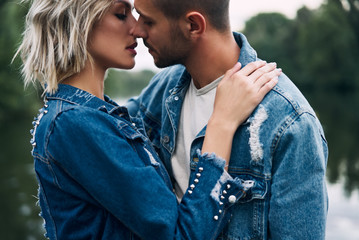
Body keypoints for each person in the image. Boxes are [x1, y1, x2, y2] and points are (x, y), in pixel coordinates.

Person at [14, 0, 280, 239]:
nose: (137, 29)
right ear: (79, 23)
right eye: (121, 14)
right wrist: (222, 122)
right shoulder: (74, 124)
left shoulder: (96, 114)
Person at [127, 0, 329, 239]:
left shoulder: (289, 123)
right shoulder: (164, 87)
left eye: (148, 21)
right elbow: (105, 125)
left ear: (193, 25)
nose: (137, 31)